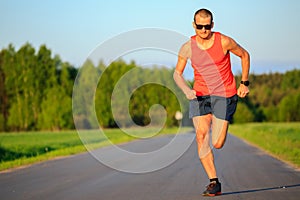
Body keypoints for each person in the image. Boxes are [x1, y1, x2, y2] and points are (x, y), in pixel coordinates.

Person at [173, 8, 250, 196]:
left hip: (224, 95)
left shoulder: (224, 41)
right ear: (194, 25)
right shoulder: (187, 47)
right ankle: (214, 182)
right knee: (200, 135)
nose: (203, 30)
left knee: (217, 143)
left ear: (212, 25)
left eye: (207, 26)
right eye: (199, 26)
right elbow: (177, 73)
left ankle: (222, 123)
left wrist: (244, 83)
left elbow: (245, 55)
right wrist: (186, 90)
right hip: (200, 95)